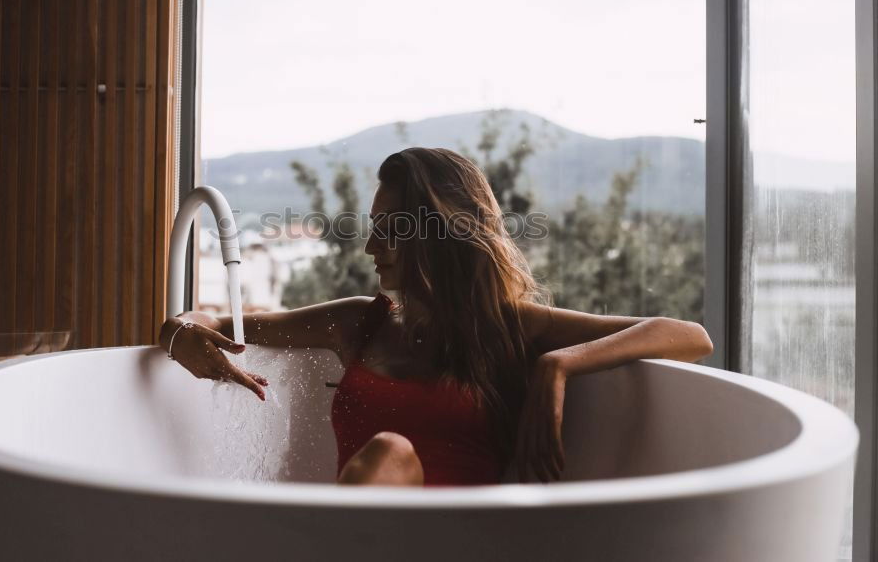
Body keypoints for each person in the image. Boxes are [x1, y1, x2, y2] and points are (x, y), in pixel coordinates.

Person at [157, 147, 713, 486]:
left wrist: (557, 367)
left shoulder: (508, 325)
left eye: (392, 227)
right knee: (387, 456)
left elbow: (688, 336)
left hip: (462, 546)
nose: (372, 244)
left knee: (390, 453)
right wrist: (177, 334)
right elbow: (210, 319)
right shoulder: (357, 323)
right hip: (355, 545)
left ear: (441, 234)